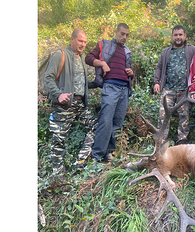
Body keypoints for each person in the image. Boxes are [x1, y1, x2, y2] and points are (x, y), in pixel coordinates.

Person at [44, 29, 97, 175]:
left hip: (80, 105)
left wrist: (97, 83)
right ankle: (58, 175)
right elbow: (48, 78)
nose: (83, 44)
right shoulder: (60, 55)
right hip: (64, 104)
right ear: (72, 39)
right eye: (80, 41)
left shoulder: (81, 57)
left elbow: (79, 82)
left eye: (85, 42)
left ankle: (80, 161)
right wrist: (58, 95)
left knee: (96, 127)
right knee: (59, 139)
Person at [85, 23, 134, 163]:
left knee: (117, 123)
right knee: (105, 121)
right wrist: (102, 63)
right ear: (116, 32)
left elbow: (127, 71)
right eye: (122, 34)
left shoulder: (127, 51)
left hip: (124, 89)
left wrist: (132, 74)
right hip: (110, 87)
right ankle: (96, 157)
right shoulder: (104, 44)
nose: (124, 37)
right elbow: (88, 58)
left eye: (127, 35)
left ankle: (109, 153)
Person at [153, 25, 195, 145]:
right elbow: (159, 67)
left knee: (184, 116)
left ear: (185, 36)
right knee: (163, 115)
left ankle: (182, 140)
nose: (178, 37)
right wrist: (156, 82)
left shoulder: (192, 49)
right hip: (168, 89)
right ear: (172, 36)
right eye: (176, 35)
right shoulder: (166, 51)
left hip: (185, 89)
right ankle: (161, 141)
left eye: (180, 35)